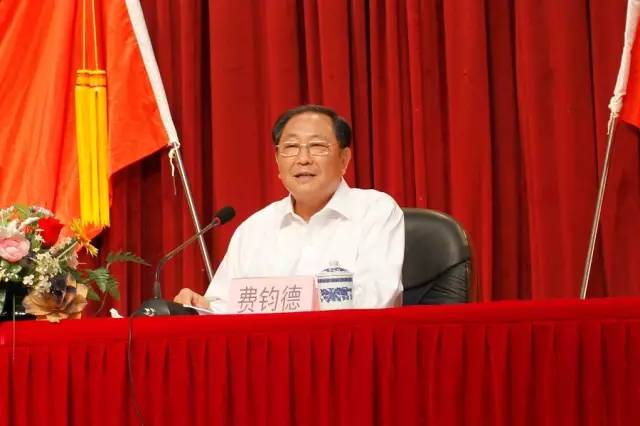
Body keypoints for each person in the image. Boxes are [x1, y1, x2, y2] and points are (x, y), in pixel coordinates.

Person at [174, 105, 404, 312]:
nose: (303, 159)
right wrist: (201, 307)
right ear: (277, 160)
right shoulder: (255, 228)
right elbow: (227, 306)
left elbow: (376, 299)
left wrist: (296, 304)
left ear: (344, 159)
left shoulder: (375, 211)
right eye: (291, 147)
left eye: (317, 146)